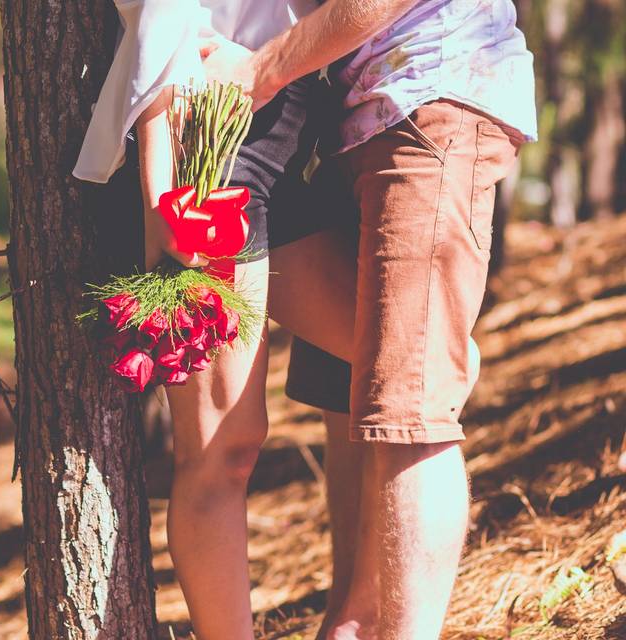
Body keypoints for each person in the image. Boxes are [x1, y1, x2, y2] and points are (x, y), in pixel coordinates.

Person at [203, 0, 538, 638]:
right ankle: (355, 617)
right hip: (357, 115)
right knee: (367, 384)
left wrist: (262, 68)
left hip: (430, 96)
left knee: (410, 407)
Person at [74, 2, 364, 638]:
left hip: (292, 127)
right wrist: (162, 196)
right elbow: (160, 15)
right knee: (223, 445)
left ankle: (354, 620)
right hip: (209, 134)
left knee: (405, 366)